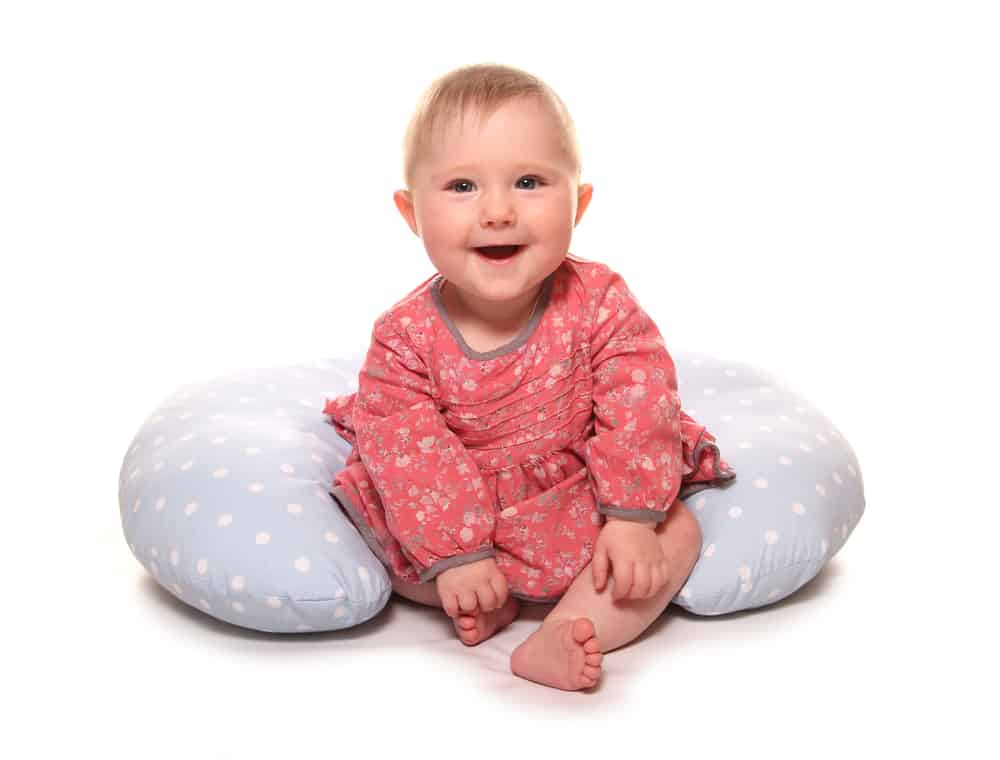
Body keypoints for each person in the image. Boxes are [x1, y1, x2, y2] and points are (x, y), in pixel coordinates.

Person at [324, 63, 736, 691]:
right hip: (462, 511)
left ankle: (568, 629)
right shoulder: (404, 337)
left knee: (675, 531)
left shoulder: (599, 299)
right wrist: (456, 557)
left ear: (580, 202)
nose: (497, 211)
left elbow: (641, 398)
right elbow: (409, 453)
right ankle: (480, 596)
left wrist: (631, 520)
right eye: (461, 186)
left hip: (586, 497)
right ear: (411, 213)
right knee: (385, 529)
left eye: (528, 182)